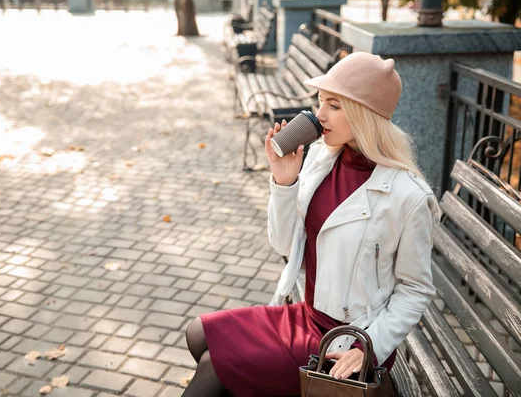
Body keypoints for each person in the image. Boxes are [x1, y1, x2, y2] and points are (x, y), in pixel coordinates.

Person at [182, 52, 440, 397]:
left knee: (213, 369)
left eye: (334, 105)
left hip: (348, 340)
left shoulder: (407, 196)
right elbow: (284, 246)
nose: (319, 116)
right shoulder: (321, 156)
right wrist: (284, 182)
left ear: (366, 113)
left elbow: (416, 290)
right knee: (197, 333)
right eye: (320, 102)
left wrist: (368, 349)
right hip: (306, 315)